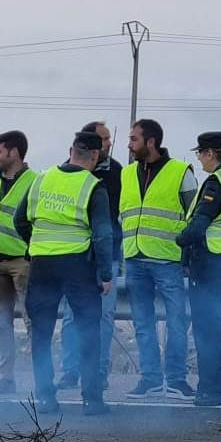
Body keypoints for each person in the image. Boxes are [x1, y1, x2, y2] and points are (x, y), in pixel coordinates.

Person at [18, 131, 115, 416]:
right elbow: (103, 234)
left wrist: (35, 246)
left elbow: (19, 220)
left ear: (70, 149)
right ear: (95, 156)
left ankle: (46, 399)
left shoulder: (41, 179)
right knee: (88, 332)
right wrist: (106, 272)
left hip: (42, 265)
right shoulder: (92, 185)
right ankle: (92, 401)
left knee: (42, 334)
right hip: (78, 268)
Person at [119, 118, 197, 400]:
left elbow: (195, 214)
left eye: (134, 139)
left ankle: (176, 379)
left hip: (167, 259)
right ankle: (150, 379)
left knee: (177, 321)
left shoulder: (180, 172)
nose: (129, 144)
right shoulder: (127, 174)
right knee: (142, 323)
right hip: (134, 258)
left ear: (150, 142)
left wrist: (187, 252)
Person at [175, 133, 221, 406]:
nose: (199, 160)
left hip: (209, 262)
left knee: (207, 328)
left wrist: (179, 239)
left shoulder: (215, 183)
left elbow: (199, 223)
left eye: (199, 154)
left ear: (209, 154)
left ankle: (212, 390)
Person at [57, 120, 123, 393]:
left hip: (107, 254)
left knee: (104, 317)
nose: (109, 143)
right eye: (104, 139)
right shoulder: (65, 171)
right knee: (72, 317)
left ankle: (98, 372)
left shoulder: (118, 171)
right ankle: (70, 371)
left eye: (109, 139)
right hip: (76, 255)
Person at [0, 130, 37, 396]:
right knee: (1, 323)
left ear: (14, 152)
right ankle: (6, 379)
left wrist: (31, 255)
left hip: (21, 261)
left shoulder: (35, 182)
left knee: (32, 322)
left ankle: (40, 379)